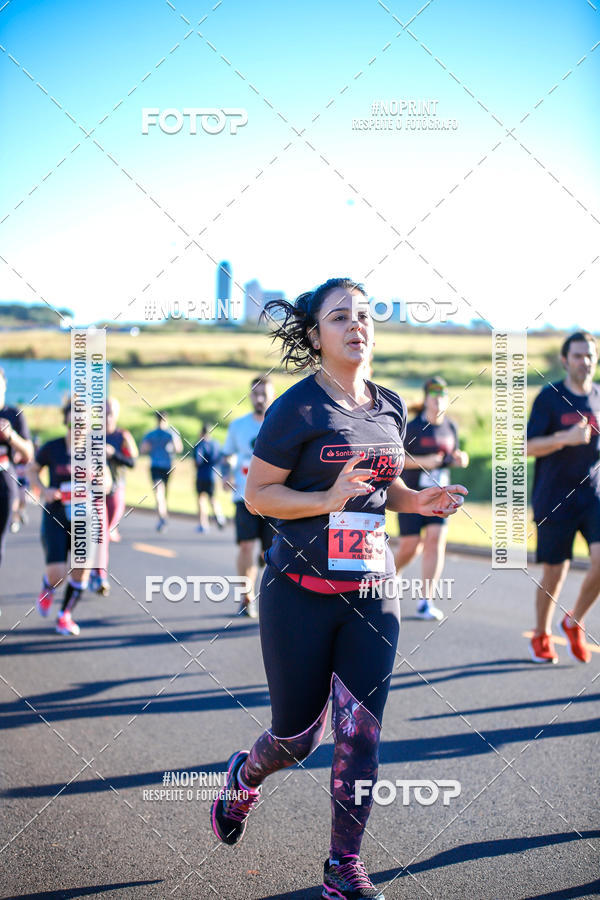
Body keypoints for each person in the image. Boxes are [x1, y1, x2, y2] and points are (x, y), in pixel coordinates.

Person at [210, 278, 467, 900]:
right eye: (339, 317)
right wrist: (324, 498)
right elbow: (258, 494)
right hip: (298, 590)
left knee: (360, 732)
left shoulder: (389, 406)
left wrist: (420, 500)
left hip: (372, 592)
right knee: (299, 737)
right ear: (315, 334)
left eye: (363, 315)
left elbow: (386, 491)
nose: (356, 325)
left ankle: (342, 866)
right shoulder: (296, 407)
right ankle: (245, 775)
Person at [526, 330, 600, 664]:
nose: (585, 361)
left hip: (594, 495)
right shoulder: (550, 397)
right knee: (556, 572)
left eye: (590, 355)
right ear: (564, 360)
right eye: (578, 356)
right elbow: (528, 447)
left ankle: (573, 621)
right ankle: (542, 633)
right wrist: (565, 438)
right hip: (554, 497)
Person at [394, 376, 469, 620]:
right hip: (413, 496)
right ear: (426, 399)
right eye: (434, 396)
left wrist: (460, 458)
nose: (438, 401)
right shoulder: (413, 427)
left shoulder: (450, 427)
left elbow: (452, 454)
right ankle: (389, 576)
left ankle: (426, 600)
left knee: (436, 540)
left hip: (441, 495)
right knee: (410, 545)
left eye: (442, 396)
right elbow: (398, 460)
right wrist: (425, 462)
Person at [30, 400, 98, 635]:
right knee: (58, 575)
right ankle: (48, 587)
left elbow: (106, 478)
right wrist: (43, 489)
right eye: (73, 420)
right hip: (56, 514)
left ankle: (64, 616)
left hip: (84, 518)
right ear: (66, 421)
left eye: (82, 421)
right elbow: (32, 469)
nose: (77, 425)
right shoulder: (52, 447)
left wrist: (101, 482)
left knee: (81, 571)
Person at [220, 376, 276, 618]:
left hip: (276, 498)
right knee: (246, 546)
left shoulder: (282, 424)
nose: (260, 398)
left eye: (264, 393)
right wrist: (226, 474)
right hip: (245, 497)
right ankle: (246, 597)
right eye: (255, 393)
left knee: (271, 553)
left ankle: (269, 588)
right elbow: (226, 456)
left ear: (272, 395)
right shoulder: (238, 426)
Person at [89, 397, 138, 595]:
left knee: (105, 532)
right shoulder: (91, 436)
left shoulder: (122, 436)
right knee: (101, 534)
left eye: (110, 413)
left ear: (116, 415)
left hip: (116, 490)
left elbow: (132, 462)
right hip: (95, 492)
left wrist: (114, 454)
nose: (107, 417)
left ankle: (96, 571)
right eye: (103, 413)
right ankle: (99, 575)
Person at [0, 367, 34, 576]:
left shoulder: (13, 415)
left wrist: (10, 436)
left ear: (3, 385)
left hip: (3, 484)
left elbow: (29, 453)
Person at [140, 410, 183, 531]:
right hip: (165, 466)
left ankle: (162, 514)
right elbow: (179, 449)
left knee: (160, 492)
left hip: (159, 466)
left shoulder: (151, 434)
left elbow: (143, 450)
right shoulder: (170, 433)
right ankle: (162, 516)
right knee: (161, 491)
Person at [194, 422, 225, 532]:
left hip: (201, 475)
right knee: (212, 498)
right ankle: (219, 516)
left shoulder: (200, 445)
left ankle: (203, 524)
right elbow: (220, 459)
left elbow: (197, 461)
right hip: (212, 475)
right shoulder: (216, 444)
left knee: (201, 499)